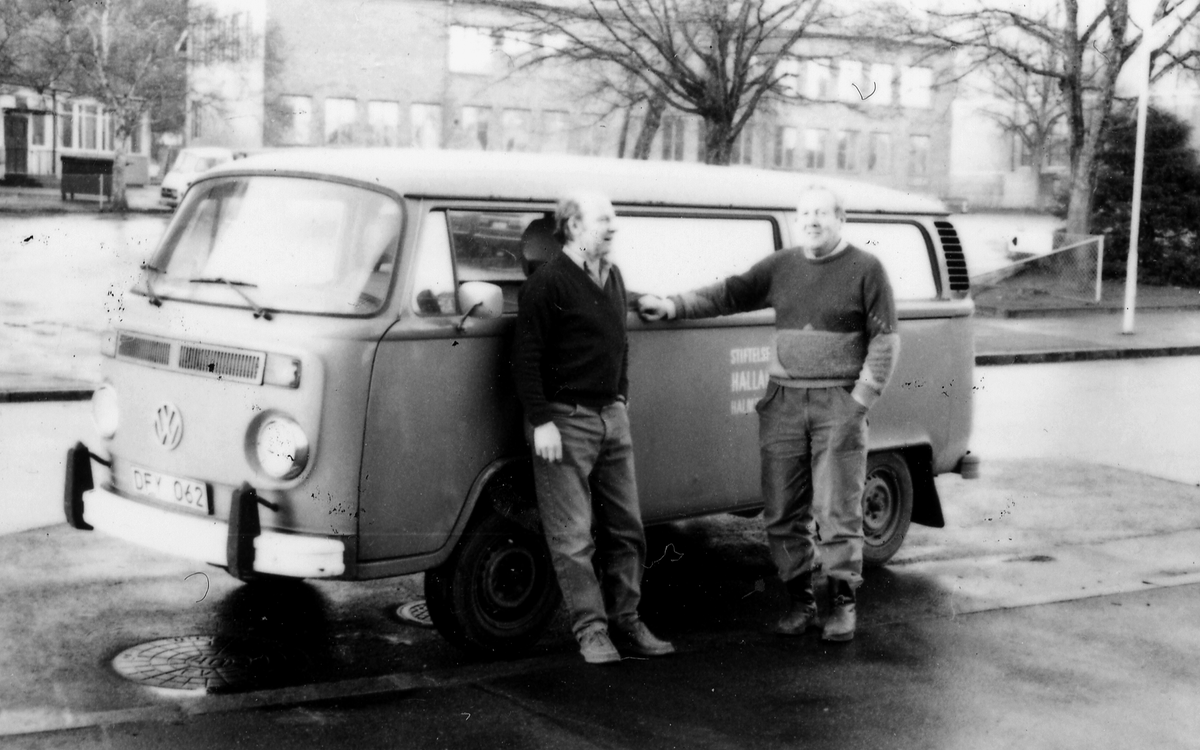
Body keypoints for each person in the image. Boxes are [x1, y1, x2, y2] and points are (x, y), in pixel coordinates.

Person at [638, 186, 898, 642]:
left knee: (838, 506)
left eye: (821, 213)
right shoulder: (782, 266)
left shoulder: (867, 268)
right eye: (805, 213)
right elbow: (731, 293)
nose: (812, 221)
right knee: (780, 509)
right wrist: (674, 305)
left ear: (840, 219)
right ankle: (801, 601)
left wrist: (859, 400)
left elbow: (885, 340)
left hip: (838, 401)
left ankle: (841, 604)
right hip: (783, 401)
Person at [512, 190, 675, 664]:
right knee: (574, 536)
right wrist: (542, 421)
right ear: (573, 226)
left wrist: (620, 394)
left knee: (627, 528)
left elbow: (619, 342)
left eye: (613, 218)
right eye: (603, 219)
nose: (613, 226)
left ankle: (626, 620)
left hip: (611, 417)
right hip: (564, 421)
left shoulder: (613, 276)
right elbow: (526, 358)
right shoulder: (548, 283)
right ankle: (591, 631)